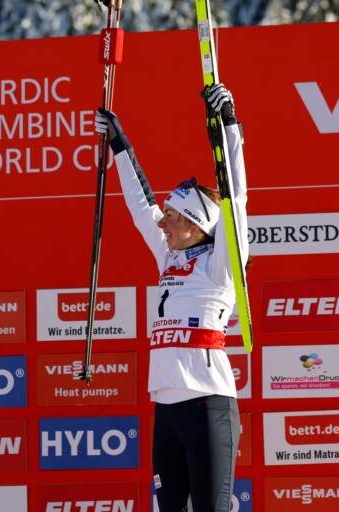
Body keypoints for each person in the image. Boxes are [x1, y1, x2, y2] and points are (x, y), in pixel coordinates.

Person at [95, 83, 246, 512]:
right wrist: (118, 144)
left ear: (197, 225)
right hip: (166, 408)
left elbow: (237, 202)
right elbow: (140, 205)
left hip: (207, 406)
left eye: (173, 218)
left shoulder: (220, 264)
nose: (163, 225)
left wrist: (229, 126)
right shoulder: (169, 256)